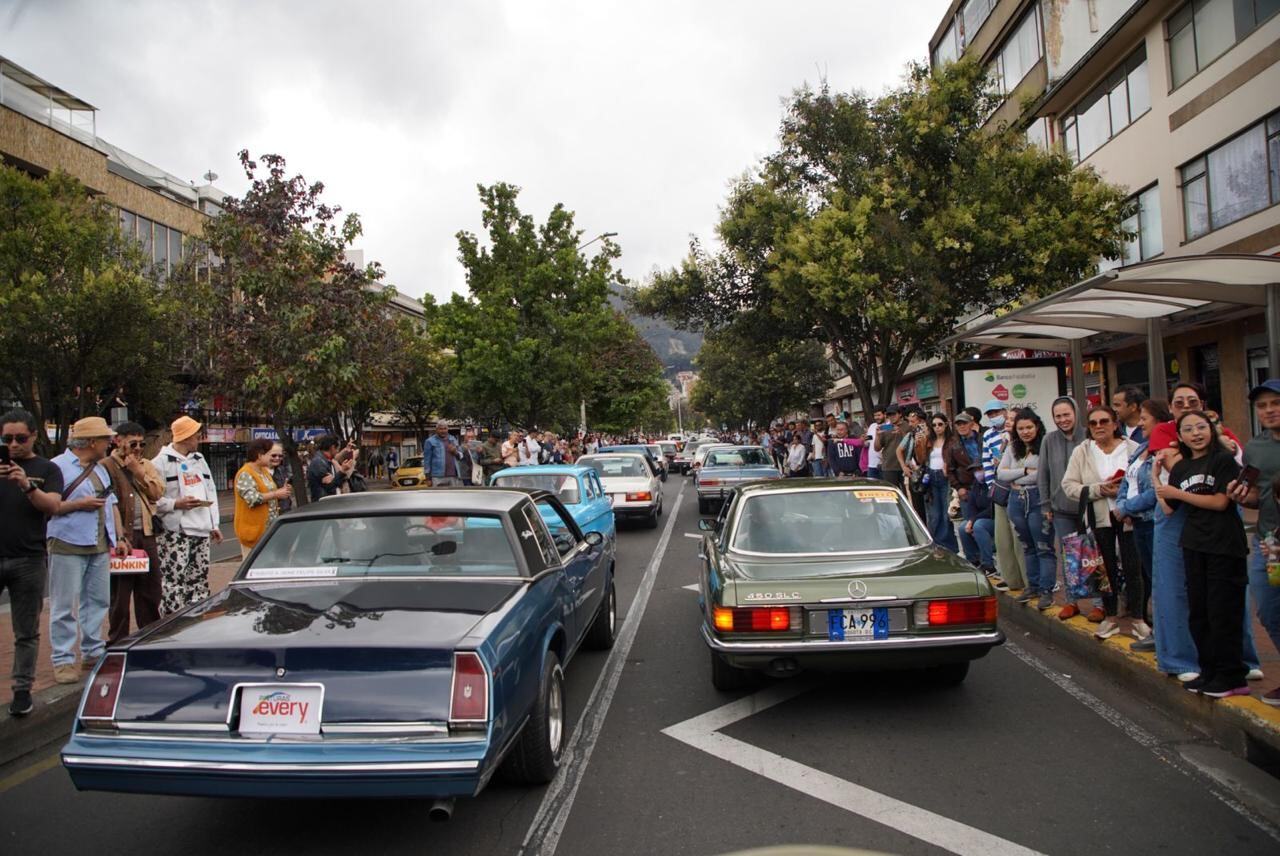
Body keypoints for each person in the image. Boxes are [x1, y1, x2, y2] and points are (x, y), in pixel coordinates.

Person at [1157, 411, 1250, 699]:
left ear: (1211, 430)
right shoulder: (1181, 468)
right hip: (1194, 545)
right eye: (1188, 429)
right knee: (1200, 613)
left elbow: (1221, 502)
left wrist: (1178, 493)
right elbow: (1169, 507)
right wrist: (1155, 477)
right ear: (1180, 437)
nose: (1196, 433)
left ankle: (1232, 676)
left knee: (1223, 611)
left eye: (1201, 427)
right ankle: (1209, 671)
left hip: (1224, 544)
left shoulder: (1223, 461)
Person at [47, 417, 128, 683]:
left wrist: (120, 537)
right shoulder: (57, 467)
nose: (110, 443)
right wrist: (79, 504)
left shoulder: (100, 469)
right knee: (64, 604)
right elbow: (48, 506)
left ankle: (92, 651)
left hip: (99, 542)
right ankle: (63, 659)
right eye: (106, 439)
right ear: (92, 441)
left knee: (97, 600)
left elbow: (110, 503)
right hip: (68, 542)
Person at [0, 409, 63, 714]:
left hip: (29, 559)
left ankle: (22, 690)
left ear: (34, 436)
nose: (13, 444)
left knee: (26, 630)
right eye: (7, 438)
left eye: (20, 438)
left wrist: (26, 485)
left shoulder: (46, 469)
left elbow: (52, 506)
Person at [1061, 406, 1138, 637]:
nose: (1098, 426)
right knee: (1106, 571)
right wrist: (1099, 489)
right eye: (1093, 423)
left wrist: (1124, 490)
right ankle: (1111, 616)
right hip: (1099, 519)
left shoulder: (1133, 449)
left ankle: (1138, 618)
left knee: (1135, 570)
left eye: (1104, 421)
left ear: (1115, 424)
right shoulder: (1082, 451)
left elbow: (1144, 481)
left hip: (1129, 518)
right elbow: (1069, 486)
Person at [1228, 379, 1280, 706]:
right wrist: (1241, 497)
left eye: (1275, 403)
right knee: (1269, 611)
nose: (1269, 410)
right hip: (1268, 543)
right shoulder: (1256, 447)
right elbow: (1258, 497)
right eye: (1262, 405)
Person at [101, 421, 165, 646]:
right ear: (118, 441)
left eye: (141, 444)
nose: (138, 448)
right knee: (120, 593)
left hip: (145, 534)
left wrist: (138, 472)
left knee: (150, 590)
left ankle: (149, 635)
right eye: (133, 443)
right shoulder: (107, 466)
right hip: (122, 538)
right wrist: (118, 536)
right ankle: (118, 639)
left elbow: (157, 492)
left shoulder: (145, 465)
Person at [153, 416, 223, 615]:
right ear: (185, 437)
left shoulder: (199, 460)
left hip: (201, 530)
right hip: (176, 532)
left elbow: (210, 491)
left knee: (199, 578)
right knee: (174, 581)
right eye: (196, 436)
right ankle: (172, 622)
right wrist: (176, 503)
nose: (199, 439)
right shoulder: (160, 463)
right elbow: (152, 500)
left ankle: (197, 619)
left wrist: (214, 524)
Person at [1115, 399, 1169, 648]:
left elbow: (1155, 492)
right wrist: (1122, 503)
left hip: (1153, 522)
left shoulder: (1164, 451)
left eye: (1145, 418)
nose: (1141, 423)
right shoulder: (1141, 448)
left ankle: (1163, 634)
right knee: (1150, 576)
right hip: (1138, 524)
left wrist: (1125, 507)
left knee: (1160, 580)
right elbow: (1128, 479)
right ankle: (1158, 632)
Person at [999, 410, 1056, 610]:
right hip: (1015, 499)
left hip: (1038, 498)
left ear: (1037, 427)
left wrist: (1015, 475)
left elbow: (1041, 476)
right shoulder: (1013, 447)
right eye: (1021, 428)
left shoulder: (1046, 446)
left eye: (1029, 427)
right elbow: (1001, 474)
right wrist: (1023, 471)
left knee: (1043, 546)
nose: (1025, 432)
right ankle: (1032, 586)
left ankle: (1046, 590)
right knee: (1027, 545)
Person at [1039, 397, 1089, 618]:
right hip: (1060, 509)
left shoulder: (1089, 435)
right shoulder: (1049, 440)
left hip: (1089, 507)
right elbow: (1043, 475)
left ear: (1076, 413)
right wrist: (1046, 504)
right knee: (1069, 555)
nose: (1063, 419)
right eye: (1058, 416)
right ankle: (1072, 600)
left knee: (1093, 555)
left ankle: (1099, 602)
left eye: (1066, 414)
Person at [982, 400, 1026, 592]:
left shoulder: (1025, 441)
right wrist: (993, 486)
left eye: (1011, 419)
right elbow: (994, 467)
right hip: (1000, 491)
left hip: (1020, 493)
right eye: (1006, 419)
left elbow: (1027, 470)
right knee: (1003, 539)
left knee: (1019, 540)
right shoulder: (995, 438)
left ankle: (1027, 580)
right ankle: (1011, 578)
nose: (1006, 421)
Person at [948, 411, 994, 573]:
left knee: (977, 525)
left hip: (989, 485)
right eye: (958, 424)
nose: (961, 426)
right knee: (966, 527)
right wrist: (958, 487)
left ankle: (988, 562)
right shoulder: (953, 445)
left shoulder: (983, 438)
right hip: (967, 489)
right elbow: (950, 469)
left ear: (971, 424)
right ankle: (974, 561)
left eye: (964, 423)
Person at [234, 438, 290, 559]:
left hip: (267, 531)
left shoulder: (263, 471)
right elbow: (252, 498)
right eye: (271, 454)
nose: (274, 458)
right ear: (260, 455)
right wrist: (276, 494)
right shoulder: (245, 473)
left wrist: (281, 492)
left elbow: (270, 492)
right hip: (253, 533)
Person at [922, 413, 959, 552]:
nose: (937, 427)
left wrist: (948, 467)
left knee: (946, 513)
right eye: (934, 425)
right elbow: (922, 458)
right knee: (934, 513)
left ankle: (948, 545)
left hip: (945, 477)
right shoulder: (929, 440)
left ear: (946, 424)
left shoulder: (952, 441)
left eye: (940, 424)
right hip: (931, 476)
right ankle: (936, 543)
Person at [307, 435, 353, 501]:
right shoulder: (319, 462)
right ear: (332, 447)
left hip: (328, 502)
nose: (337, 451)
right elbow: (330, 487)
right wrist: (342, 471)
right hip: (323, 504)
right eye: (337, 448)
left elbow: (333, 482)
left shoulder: (327, 460)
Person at [425, 420, 465, 486]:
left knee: (453, 496)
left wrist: (455, 452)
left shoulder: (453, 439)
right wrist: (428, 478)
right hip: (437, 476)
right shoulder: (430, 441)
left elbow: (461, 456)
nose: (443, 431)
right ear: (436, 429)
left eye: (445, 428)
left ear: (447, 429)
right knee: (438, 496)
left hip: (453, 475)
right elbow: (427, 461)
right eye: (440, 429)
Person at [875, 405, 904, 490]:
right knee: (891, 493)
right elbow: (877, 448)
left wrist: (901, 432)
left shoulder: (907, 425)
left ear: (900, 414)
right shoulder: (885, 428)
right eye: (889, 415)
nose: (891, 417)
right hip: (888, 466)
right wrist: (877, 436)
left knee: (908, 494)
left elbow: (912, 442)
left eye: (893, 414)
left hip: (905, 466)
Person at [270, 443, 294, 513]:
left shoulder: (281, 469)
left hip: (285, 510)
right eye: (274, 455)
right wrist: (277, 494)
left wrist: (287, 488)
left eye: (280, 456)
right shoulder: (259, 472)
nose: (277, 458)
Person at [865, 408, 886, 480]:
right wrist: (863, 440)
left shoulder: (889, 426)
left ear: (885, 414)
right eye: (875, 415)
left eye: (879, 415)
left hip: (884, 465)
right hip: (871, 465)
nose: (876, 417)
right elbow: (867, 442)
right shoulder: (872, 426)